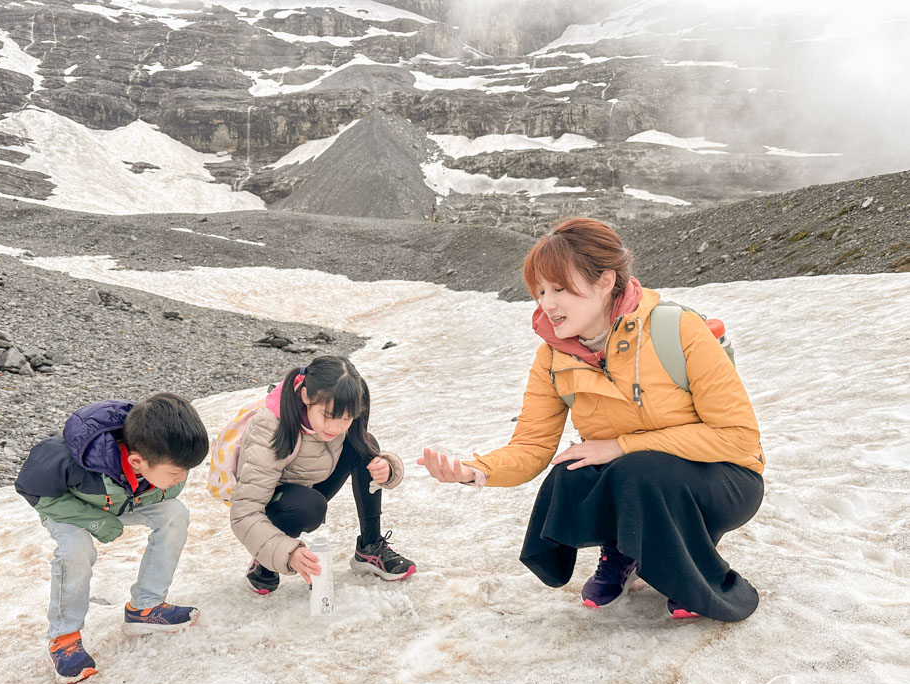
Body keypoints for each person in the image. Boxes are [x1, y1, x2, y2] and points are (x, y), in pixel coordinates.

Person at [418, 217, 765, 622]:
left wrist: (622, 446)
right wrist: (474, 470)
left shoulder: (677, 329)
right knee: (572, 469)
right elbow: (532, 445)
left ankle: (692, 577)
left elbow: (737, 437)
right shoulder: (554, 356)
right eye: (540, 291)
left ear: (604, 282)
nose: (547, 304)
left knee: (640, 469)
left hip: (723, 478)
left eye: (560, 289)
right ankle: (623, 549)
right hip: (641, 483)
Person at [15, 393, 209, 684]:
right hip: (66, 506)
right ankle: (64, 638)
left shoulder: (162, 453)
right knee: (75, 549)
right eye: (175, 472)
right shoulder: (69, 460)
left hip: (121, 500)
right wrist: (98, 522)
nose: (181, 478)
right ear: (136, 461)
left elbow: (157, 485)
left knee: (174, 514)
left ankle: (145, 607)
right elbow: (35, 492)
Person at [213, 355, 415, 594]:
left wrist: (386, 469)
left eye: (346, 418)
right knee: (308, 507)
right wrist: (288, 552)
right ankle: (266, 562)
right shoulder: (270, 426)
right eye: (327, 416)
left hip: (311, 480)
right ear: (306, 396)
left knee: (364, 446)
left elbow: (365, 449)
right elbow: (244, 511)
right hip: (273, 500)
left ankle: (370, 547)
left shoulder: (345, 408)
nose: (335, 427)